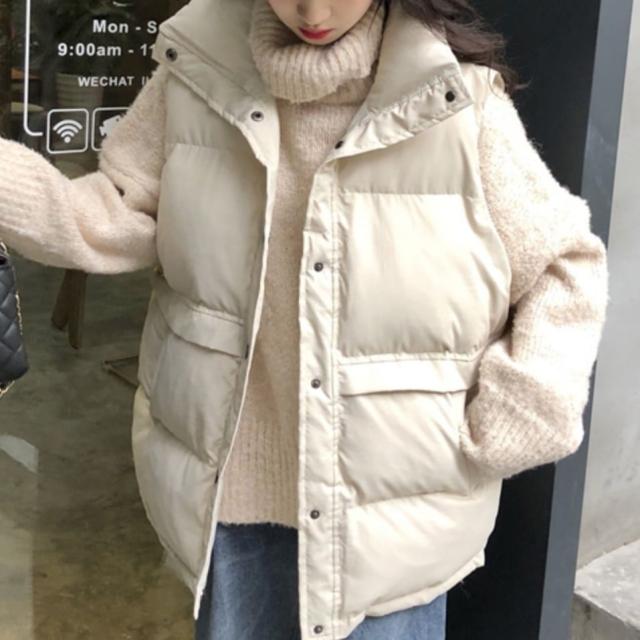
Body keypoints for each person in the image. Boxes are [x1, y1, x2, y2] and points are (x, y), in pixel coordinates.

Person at [0, 0, 609, 638]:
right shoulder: (196, 75)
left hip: (388, 524)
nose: (313, 10)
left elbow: (564, 263)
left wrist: (523, 406)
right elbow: (111, 216)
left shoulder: (456, 100)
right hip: (230, 502)